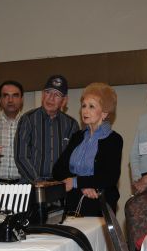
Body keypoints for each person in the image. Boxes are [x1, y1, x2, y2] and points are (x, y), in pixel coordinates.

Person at [53, 83, 123, 216]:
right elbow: (57, 169)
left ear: (104, 113)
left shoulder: (113, 139)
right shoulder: (77, 137)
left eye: (91, 106)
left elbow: (109, 177)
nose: (85, 111)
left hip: (98, 203)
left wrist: (76, 181)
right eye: (84, 106)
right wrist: (82, 185)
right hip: (73, 202)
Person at [15, 75, 79, 182]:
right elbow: (21, 157)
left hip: (60, 185)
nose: (51, 98)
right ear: (42, 95)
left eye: (57, 95)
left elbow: (74, 159)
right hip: (32, 184)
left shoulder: (72, 124)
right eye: (48, 92)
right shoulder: (28, 119)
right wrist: (38, 181)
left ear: (64, 101)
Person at [0, 80, 24, 184]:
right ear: (0, 100)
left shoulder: (30, 124)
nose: (10, 100)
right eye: (6, 95)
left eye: (15, 95)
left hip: (23, 185)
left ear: (21, 99)